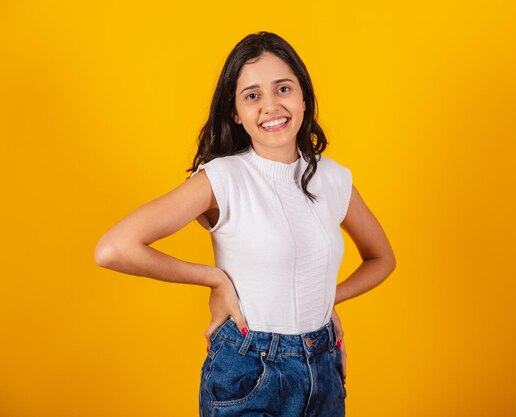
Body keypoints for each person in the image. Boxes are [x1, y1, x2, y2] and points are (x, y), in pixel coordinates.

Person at [94, 31, 395, 417]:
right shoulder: (222, 179)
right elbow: (114, 248)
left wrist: (325, 299)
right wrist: (213, 278)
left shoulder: (333, 178)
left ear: (303, 96)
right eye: (252, 95)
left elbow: (381, 258)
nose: (271, 106)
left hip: (323, 364)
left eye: (283, 88)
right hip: (250, 368)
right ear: (235, 112)